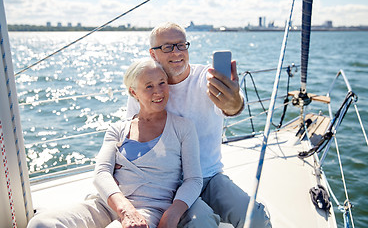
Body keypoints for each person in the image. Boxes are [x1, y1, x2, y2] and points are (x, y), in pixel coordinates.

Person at [27, 58, 211, 228]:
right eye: (149, 86)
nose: (158, 91)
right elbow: (101, 173)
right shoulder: (117, 129)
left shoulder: (183, 127)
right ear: (133, 92)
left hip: (150, 209)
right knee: (41, 223)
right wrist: (125, 210)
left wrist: (172, 214)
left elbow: (193, 179)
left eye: (162, 82)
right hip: (108, 204)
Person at [126, 22, 272, 228]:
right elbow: (132, 135)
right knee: (201, 222)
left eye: (181, 45)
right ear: (153, 54)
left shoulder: (208, 79)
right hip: (168, 184)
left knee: (255, 217)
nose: (177, 52)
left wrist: (234, 102)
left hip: (210, 176)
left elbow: (233, 106)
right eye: (167, 47)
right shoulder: (145, 87)